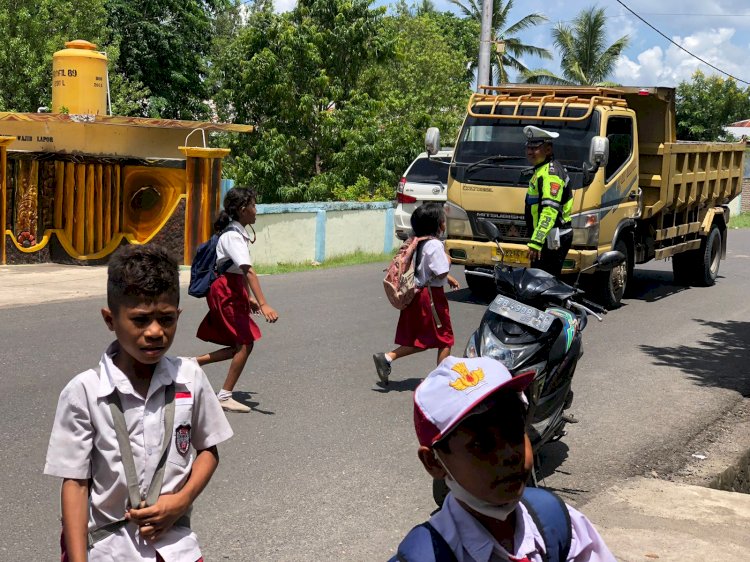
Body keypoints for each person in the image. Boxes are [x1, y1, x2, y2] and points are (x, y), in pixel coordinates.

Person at [44, 244, 234, 562]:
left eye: (167, 318)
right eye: (141, 320)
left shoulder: (190, 377)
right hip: (107, 549)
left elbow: (208, 450)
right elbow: (75, 484)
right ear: (110, 319)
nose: (155, 331)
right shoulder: (84, 392)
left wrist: (181, 501)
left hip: (176, 547)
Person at [390, 356, 616, 561]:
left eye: (514, 431)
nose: (509, 454)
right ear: (433, 462)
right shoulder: (426, 556)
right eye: (481, 444)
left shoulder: (556, 521)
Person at [195, 186, 279, 413]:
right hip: (225, 291)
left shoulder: (236, 232)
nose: (255, 210)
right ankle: (224, 395)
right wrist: (263, 303)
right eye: (253, 205)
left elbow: (237, 271)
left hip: (231, 289)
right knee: (245, 342)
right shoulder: (233, 236)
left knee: (239, 345)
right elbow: (247, 270)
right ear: (242, 209)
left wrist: (248, 297)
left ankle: (193, 364)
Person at [373, 202, 459, 385]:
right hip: (432, 298)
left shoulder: (416, 241)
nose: (444, 224)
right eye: (442, 221)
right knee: (445, 339)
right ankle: (441, 381)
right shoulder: (435, 245)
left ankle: (387, 358)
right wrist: (448, 259)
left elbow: (423, 268)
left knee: (423, 338)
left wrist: (448, 277)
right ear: (437, 225)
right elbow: (440, 271)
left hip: (417, 294)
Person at [524, 125, 574, 277]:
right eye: (528, 147)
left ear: (548, 150)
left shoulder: (550, 174)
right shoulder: (541, 170)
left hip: (551, 236)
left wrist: (537, 241)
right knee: (540, 281)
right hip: (547, 236)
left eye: (536, 148)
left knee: (545, 283)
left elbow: (549, 211)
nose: (530, 152)